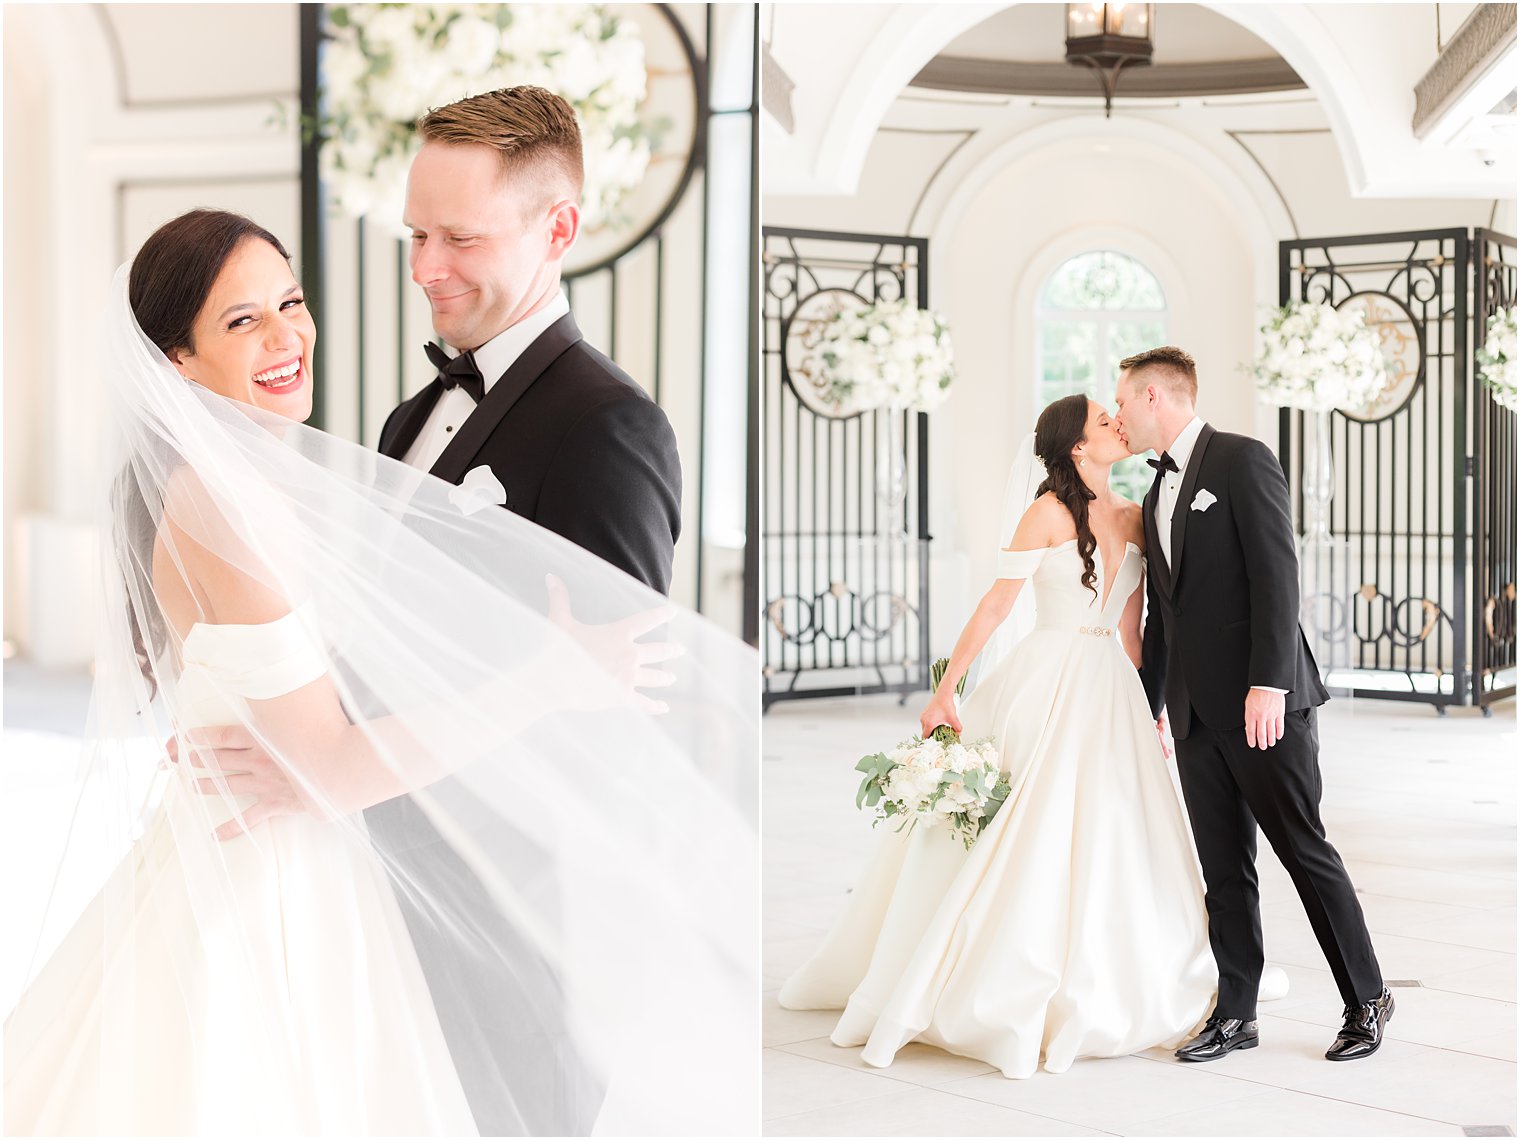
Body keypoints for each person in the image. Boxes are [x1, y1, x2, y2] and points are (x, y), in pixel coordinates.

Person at [3, 208, 756, 1136]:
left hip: (314, 851)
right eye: (242, 322)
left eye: (290, 301)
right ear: (178, 364)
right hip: (272, 884)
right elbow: (330, 766)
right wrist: (549, 676)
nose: (286, 336)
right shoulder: (224, 505)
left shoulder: (260, 474)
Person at [778, 394, 1264, 1079]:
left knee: (1115, 825)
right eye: (1103, 421)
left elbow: (1133, 629)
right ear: (1076, 447)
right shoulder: (1045, 513)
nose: (1118, 424)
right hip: (1046, 674)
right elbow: (997, 603)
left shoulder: (1134, 514)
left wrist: (1149, 707)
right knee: (1030, 825)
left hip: (1111, 688)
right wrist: (947, 689)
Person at [1115, 345, 1392, 1063]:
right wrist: (1153, 705)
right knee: (1225, 868)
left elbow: (1279, 576)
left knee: (1303, 849)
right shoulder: (1154, 494)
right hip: (1196, 714)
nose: (1118, 416)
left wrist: (1269, 684)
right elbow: (1162, 615)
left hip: (1265, 704)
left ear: (1155, 397)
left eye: (1123, 401)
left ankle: (1366, 998)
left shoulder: (1242, 459)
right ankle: (1237, 1011)